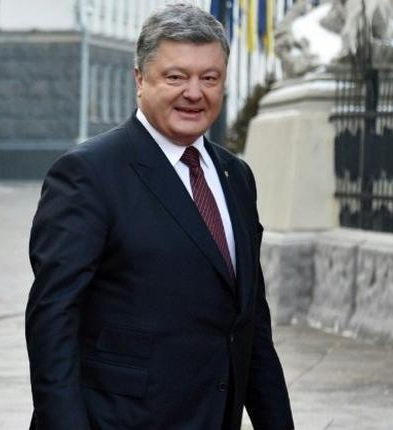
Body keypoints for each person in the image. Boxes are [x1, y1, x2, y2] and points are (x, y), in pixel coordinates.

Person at [25, 3, 294, 430]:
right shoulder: (88, 172)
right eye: (175, 77)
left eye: (210, 78)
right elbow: (52, 319)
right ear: (140, 79)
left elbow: (250, 323)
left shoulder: (236, 176)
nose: (194, 92)